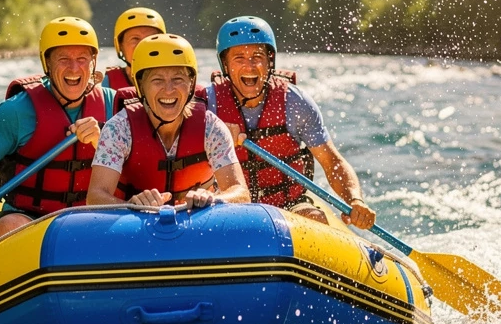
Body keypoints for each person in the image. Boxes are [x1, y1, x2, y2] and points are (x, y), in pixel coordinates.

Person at [0, 17, 118, 239]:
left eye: (82, 59)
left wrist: (100, 140)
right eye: (63, 59)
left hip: (93, 215)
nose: (74, 68)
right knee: (9, 225)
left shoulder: (113, 105)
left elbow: (135, 170)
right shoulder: (15, 111)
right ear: (47, 63)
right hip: (29, 217)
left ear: (93, 62)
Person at [209, 16, 377, 229]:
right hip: (228, 206)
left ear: (270, 60)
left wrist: (355, 200)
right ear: (225, 64)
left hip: (289, 205)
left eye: (258, 57)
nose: (250, 66)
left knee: (315, 219)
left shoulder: (294, 102)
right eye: (239, 58)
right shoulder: (208, 104)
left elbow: (332, 162)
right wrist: (217, 134)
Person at [87, 34, 249, 210]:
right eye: (157, 80)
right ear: (141, 86)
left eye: (178, 79)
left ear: (191, 84)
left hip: (195, 223)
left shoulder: (211, 127)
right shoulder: (118, 129)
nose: (169, 90)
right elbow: (96, 197)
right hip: (135, 225)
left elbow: (240, 192)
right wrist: (130, 205)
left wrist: (213, 199)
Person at [101, 7, 166, 90]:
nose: (143, 45)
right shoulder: (106, 83)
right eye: (135, 39)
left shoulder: (177, 80)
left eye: (151, 38)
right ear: (120, 46)